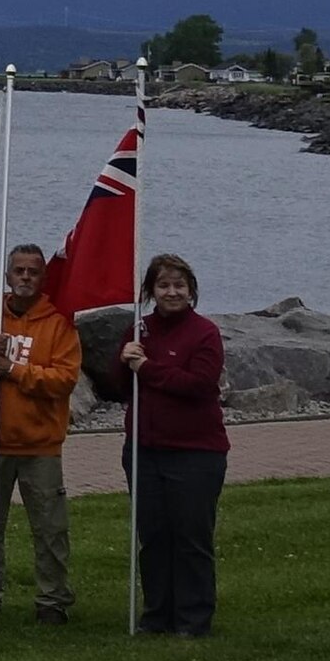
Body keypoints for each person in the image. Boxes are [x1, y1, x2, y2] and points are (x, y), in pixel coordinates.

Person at [0, 244, 81, 624]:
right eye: (19, 270)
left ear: (43, 278)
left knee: (50, 528)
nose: (25, 277)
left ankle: (52, 601)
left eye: (33, 272)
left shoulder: (59, 324)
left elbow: (64, 379)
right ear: (7, 276)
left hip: (40, 445)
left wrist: (14, 371)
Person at [121, 257, 228, 638]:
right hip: (144, 450)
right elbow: (122, 384)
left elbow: (197, 384)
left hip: (196, 452)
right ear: (151, 291)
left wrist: (146, 367)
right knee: (154, 536)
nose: (172, 293)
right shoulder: (139, 329)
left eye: (179, 285)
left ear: (191, 290)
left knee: (190, 537)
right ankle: (157, 615)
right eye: (164, 286)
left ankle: (193, 618)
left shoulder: (205, 334)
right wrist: (126, 361)